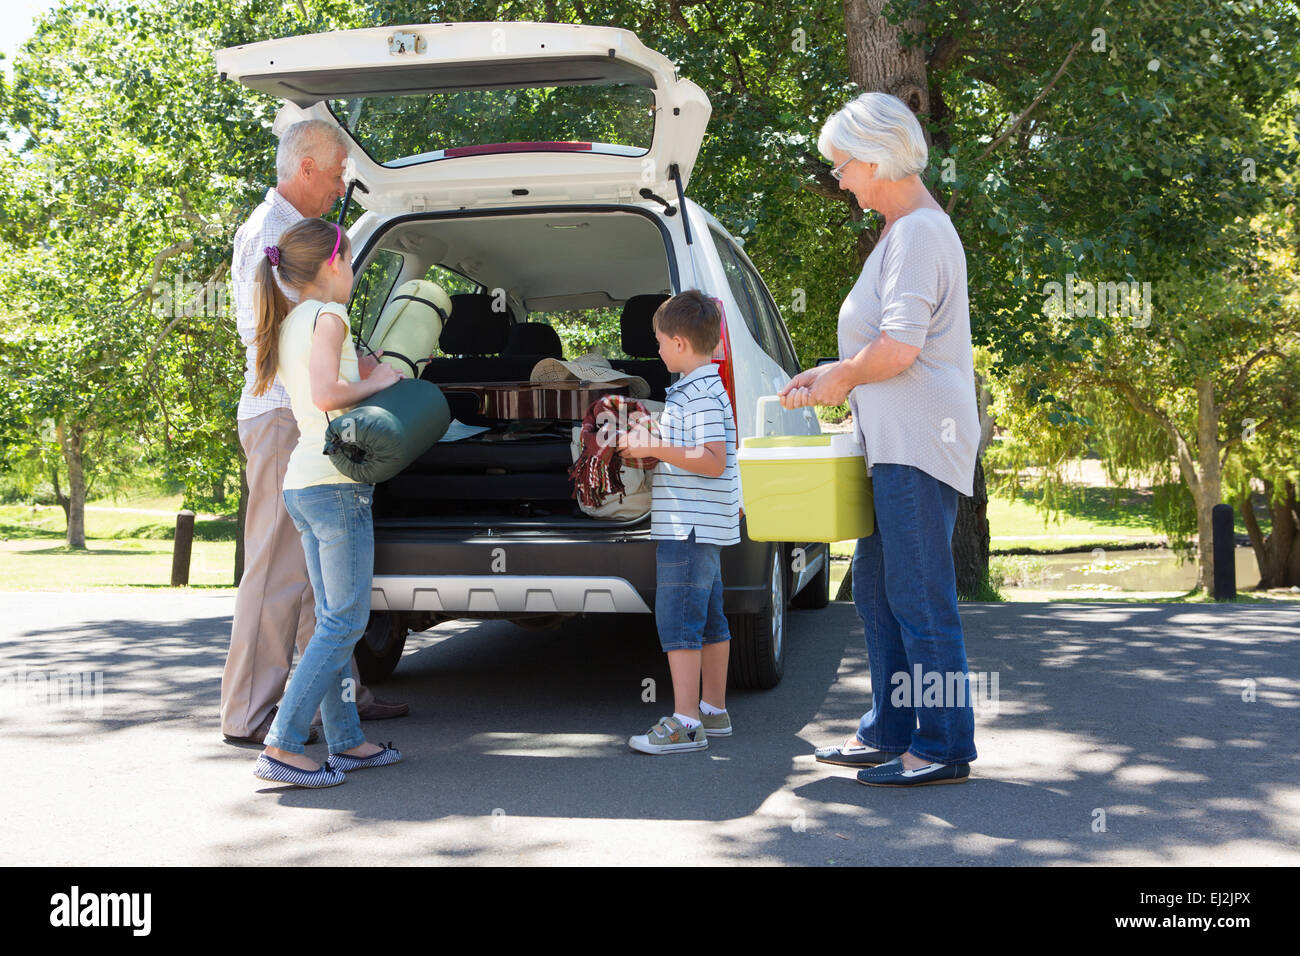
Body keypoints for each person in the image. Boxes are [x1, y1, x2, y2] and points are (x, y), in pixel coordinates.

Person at [779, 92, 980, 787]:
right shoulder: (902, 232)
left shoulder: (921, 232)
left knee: (920, 599)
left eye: (842, 165)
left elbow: (898, 350)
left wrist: (841, 379)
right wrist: (835, 381)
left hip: (921, 444)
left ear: (876, 157)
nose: (838, 179)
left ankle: (943, 745)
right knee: (877, 593)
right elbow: (884, 354)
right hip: (892, 444)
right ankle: (890, 730)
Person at [222, 119, 407, 745]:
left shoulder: (285, 232)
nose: (338, 189)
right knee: (276, 571)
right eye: (334, 176)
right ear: (305, 168)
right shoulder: (275, 235)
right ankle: (250, 715)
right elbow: (295, 343)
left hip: (296, 417)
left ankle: (341, 705)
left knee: (313, 580)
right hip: (283, 415)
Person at [247, 217, 407, 787]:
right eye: (352, 265)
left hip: (303, 483)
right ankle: (282, 744)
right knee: (344, 620)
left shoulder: (291, 321)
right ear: (334, 265)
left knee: (332, 619)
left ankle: (346, 741)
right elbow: (326, 394)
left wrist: (361, 369)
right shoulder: (331, 314)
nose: (354, 276)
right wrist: (381, 380)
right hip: (337, 485)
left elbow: (320, 389)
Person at [618, 290, 740, 754]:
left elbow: (712, 460)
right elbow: (696, 456)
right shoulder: (699, 389)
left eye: (660, 342)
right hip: (702, 527)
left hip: (687, 529)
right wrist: (654, 447)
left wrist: (654, 448)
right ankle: (714, 710)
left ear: (680, 344)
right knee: (710, 622)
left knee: (678, 623)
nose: (658, 350)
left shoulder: (701, 393)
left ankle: (686, 722)